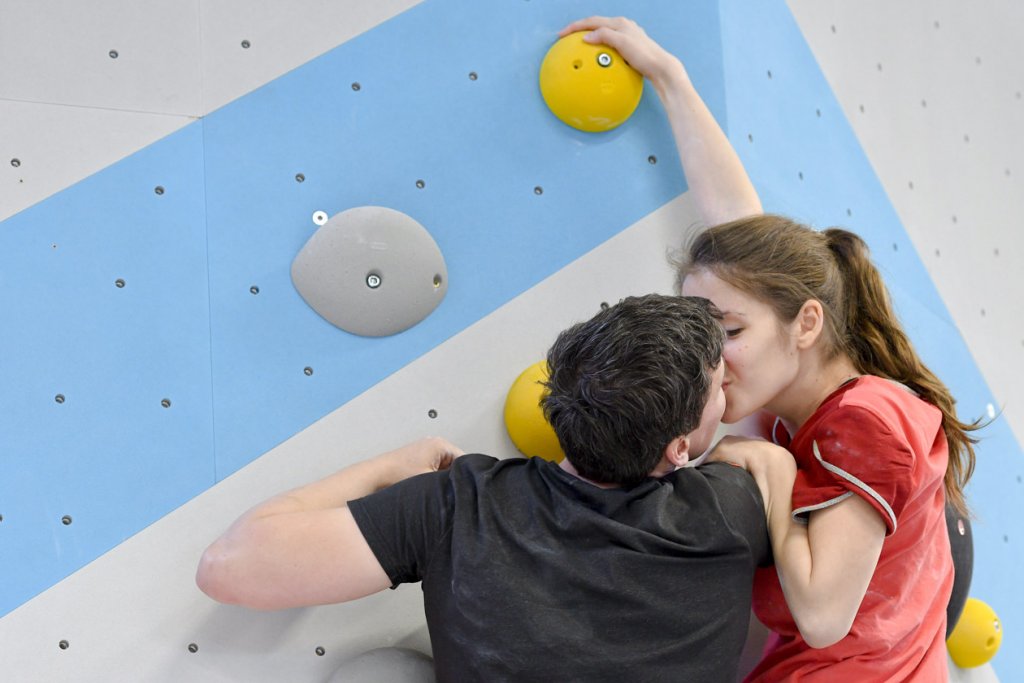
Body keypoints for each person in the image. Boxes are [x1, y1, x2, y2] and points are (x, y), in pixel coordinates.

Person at [562, 16, 982, 682]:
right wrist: (670, 78)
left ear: (805, 323)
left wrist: (775, 471)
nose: (712, 358)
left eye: (729, 334)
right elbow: (737, 230)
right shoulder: (797, 383)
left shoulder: (864, 420)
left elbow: (823, 614)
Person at [196, 294, 779, 682]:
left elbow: (227, 568)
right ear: (678, 449)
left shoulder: (461, 505)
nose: (726, 395)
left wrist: (388, 466)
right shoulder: (730, 508)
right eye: (719, 390)